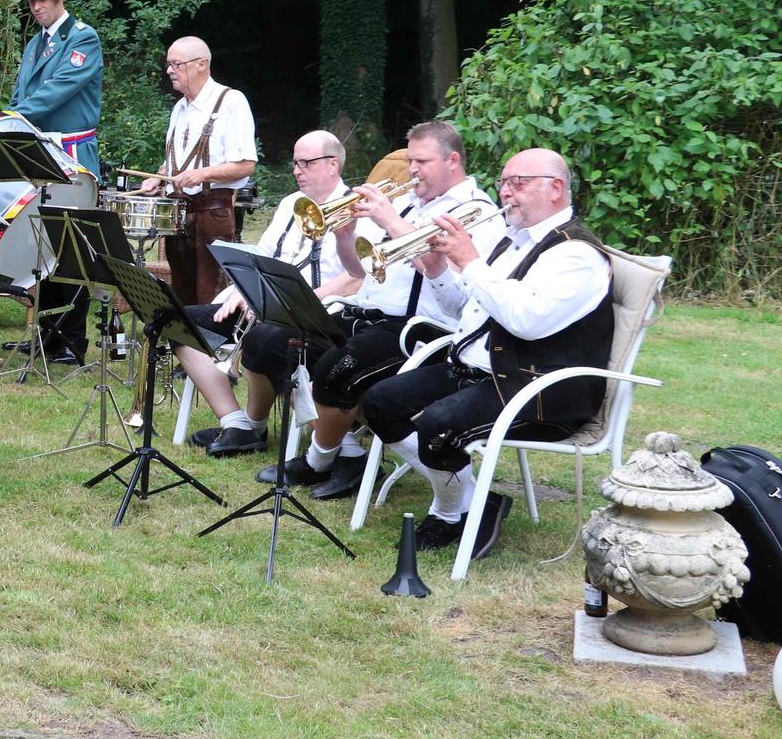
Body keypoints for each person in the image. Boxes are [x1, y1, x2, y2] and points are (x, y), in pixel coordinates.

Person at [201, 121, 501, 482]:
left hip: (418, 328)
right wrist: (345, 237)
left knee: (335, 367)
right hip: (364, 312)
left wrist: (390, 220)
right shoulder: (407, 202)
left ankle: (320, 459)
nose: (412, 170)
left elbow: (456, 290)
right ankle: (344, 449)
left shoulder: (478, 211)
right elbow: (358, 269)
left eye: (422, 161)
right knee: (273, 339)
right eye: (411, 161)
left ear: (453, 161)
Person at [356, 149, 611, 560]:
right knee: (380, 402)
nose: (506, 192)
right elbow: (464, 310)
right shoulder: (513, 242)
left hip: (539, 387)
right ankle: (477, 501)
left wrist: (470, 260)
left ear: (556, 188)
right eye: (504, 182)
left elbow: (526, 321)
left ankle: (447, 511)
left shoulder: (576, 255)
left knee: (439, 427)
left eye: (518, 183)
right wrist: (439, 268)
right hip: (483, 368)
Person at [168, 131, 367, 488]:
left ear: (333, 165)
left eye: (306, 163)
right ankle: (237, 423)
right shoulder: (292, 202)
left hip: (320, 314)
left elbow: (358, 278)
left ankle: (327, 441)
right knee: (178, 322)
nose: (297, 171)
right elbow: (262, 254)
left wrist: (295, 301)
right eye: (295, 163)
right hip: (267, 304)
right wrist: (242, 290)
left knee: (266, 341)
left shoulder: (357, 210)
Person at [7, 0, 103, 362]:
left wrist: (11, 117)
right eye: (31, 0)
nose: (36, 6)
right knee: (40, 241)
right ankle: (46, 333)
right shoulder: (35, 43)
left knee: (71, 244)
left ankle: (73, 339)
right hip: (40, 148)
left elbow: (57, 91)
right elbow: (23, 89)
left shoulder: (83, 38)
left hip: (71, 149)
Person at [143, 37, 256, 306]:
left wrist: (202, 174)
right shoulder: (180, 108)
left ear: (201, 65)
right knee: (182, 298)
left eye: (176, 64)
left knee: (211, 296)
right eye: (168, 64)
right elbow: (175, 163)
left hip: (212, 213)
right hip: (178, 215)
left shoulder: (231, 102)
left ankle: (215, 348)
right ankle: (185, 348)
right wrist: (158, 177)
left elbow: (246, 164)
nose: (169, 70)